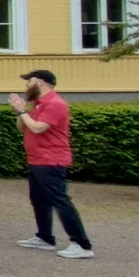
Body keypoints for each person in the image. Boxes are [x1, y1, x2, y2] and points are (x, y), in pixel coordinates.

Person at [10, 69, 94, 259]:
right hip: (37, 159)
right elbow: (23, 127)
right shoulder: (38, 104)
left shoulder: (55, 104)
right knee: (39, 200)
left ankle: (81, 243)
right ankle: (45, 237)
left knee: (59, 200)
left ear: (40, 82)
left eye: (29, 81)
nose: (26, 85)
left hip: (51, 160)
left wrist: (23, 110)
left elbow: (38, 128)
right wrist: (20, 112)